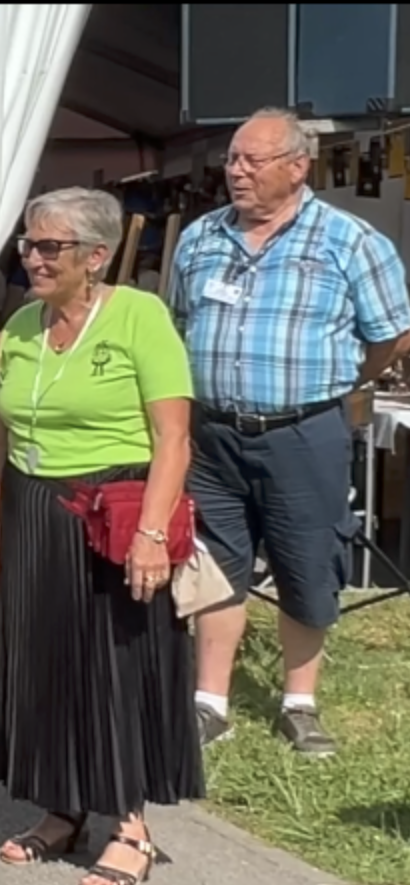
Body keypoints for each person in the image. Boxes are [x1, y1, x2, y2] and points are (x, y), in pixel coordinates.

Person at [0, 187, 204, 885]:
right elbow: (0, 438)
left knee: (115, 666)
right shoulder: (23, 324)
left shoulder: (139, 315)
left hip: (116, 510)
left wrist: (154, 535)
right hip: (36, 510)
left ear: (96, 257)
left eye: (50, 247)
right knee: (41, 663)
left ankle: (129, 823)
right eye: (29, 245)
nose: (33, 258)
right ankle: (63, 806)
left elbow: (174, 438)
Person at [167, 108, 410, 755]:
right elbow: (180, 325)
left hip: (304, 431)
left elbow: (390, 335)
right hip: (214, 431)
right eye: (234, 160)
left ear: (297, 167)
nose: (236, 171)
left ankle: (299, 702)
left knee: (307, 560)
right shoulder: (199, 240)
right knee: (217, 562)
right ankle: (209, 701)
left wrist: (336, 382)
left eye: (253, 160)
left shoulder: (350, 242)